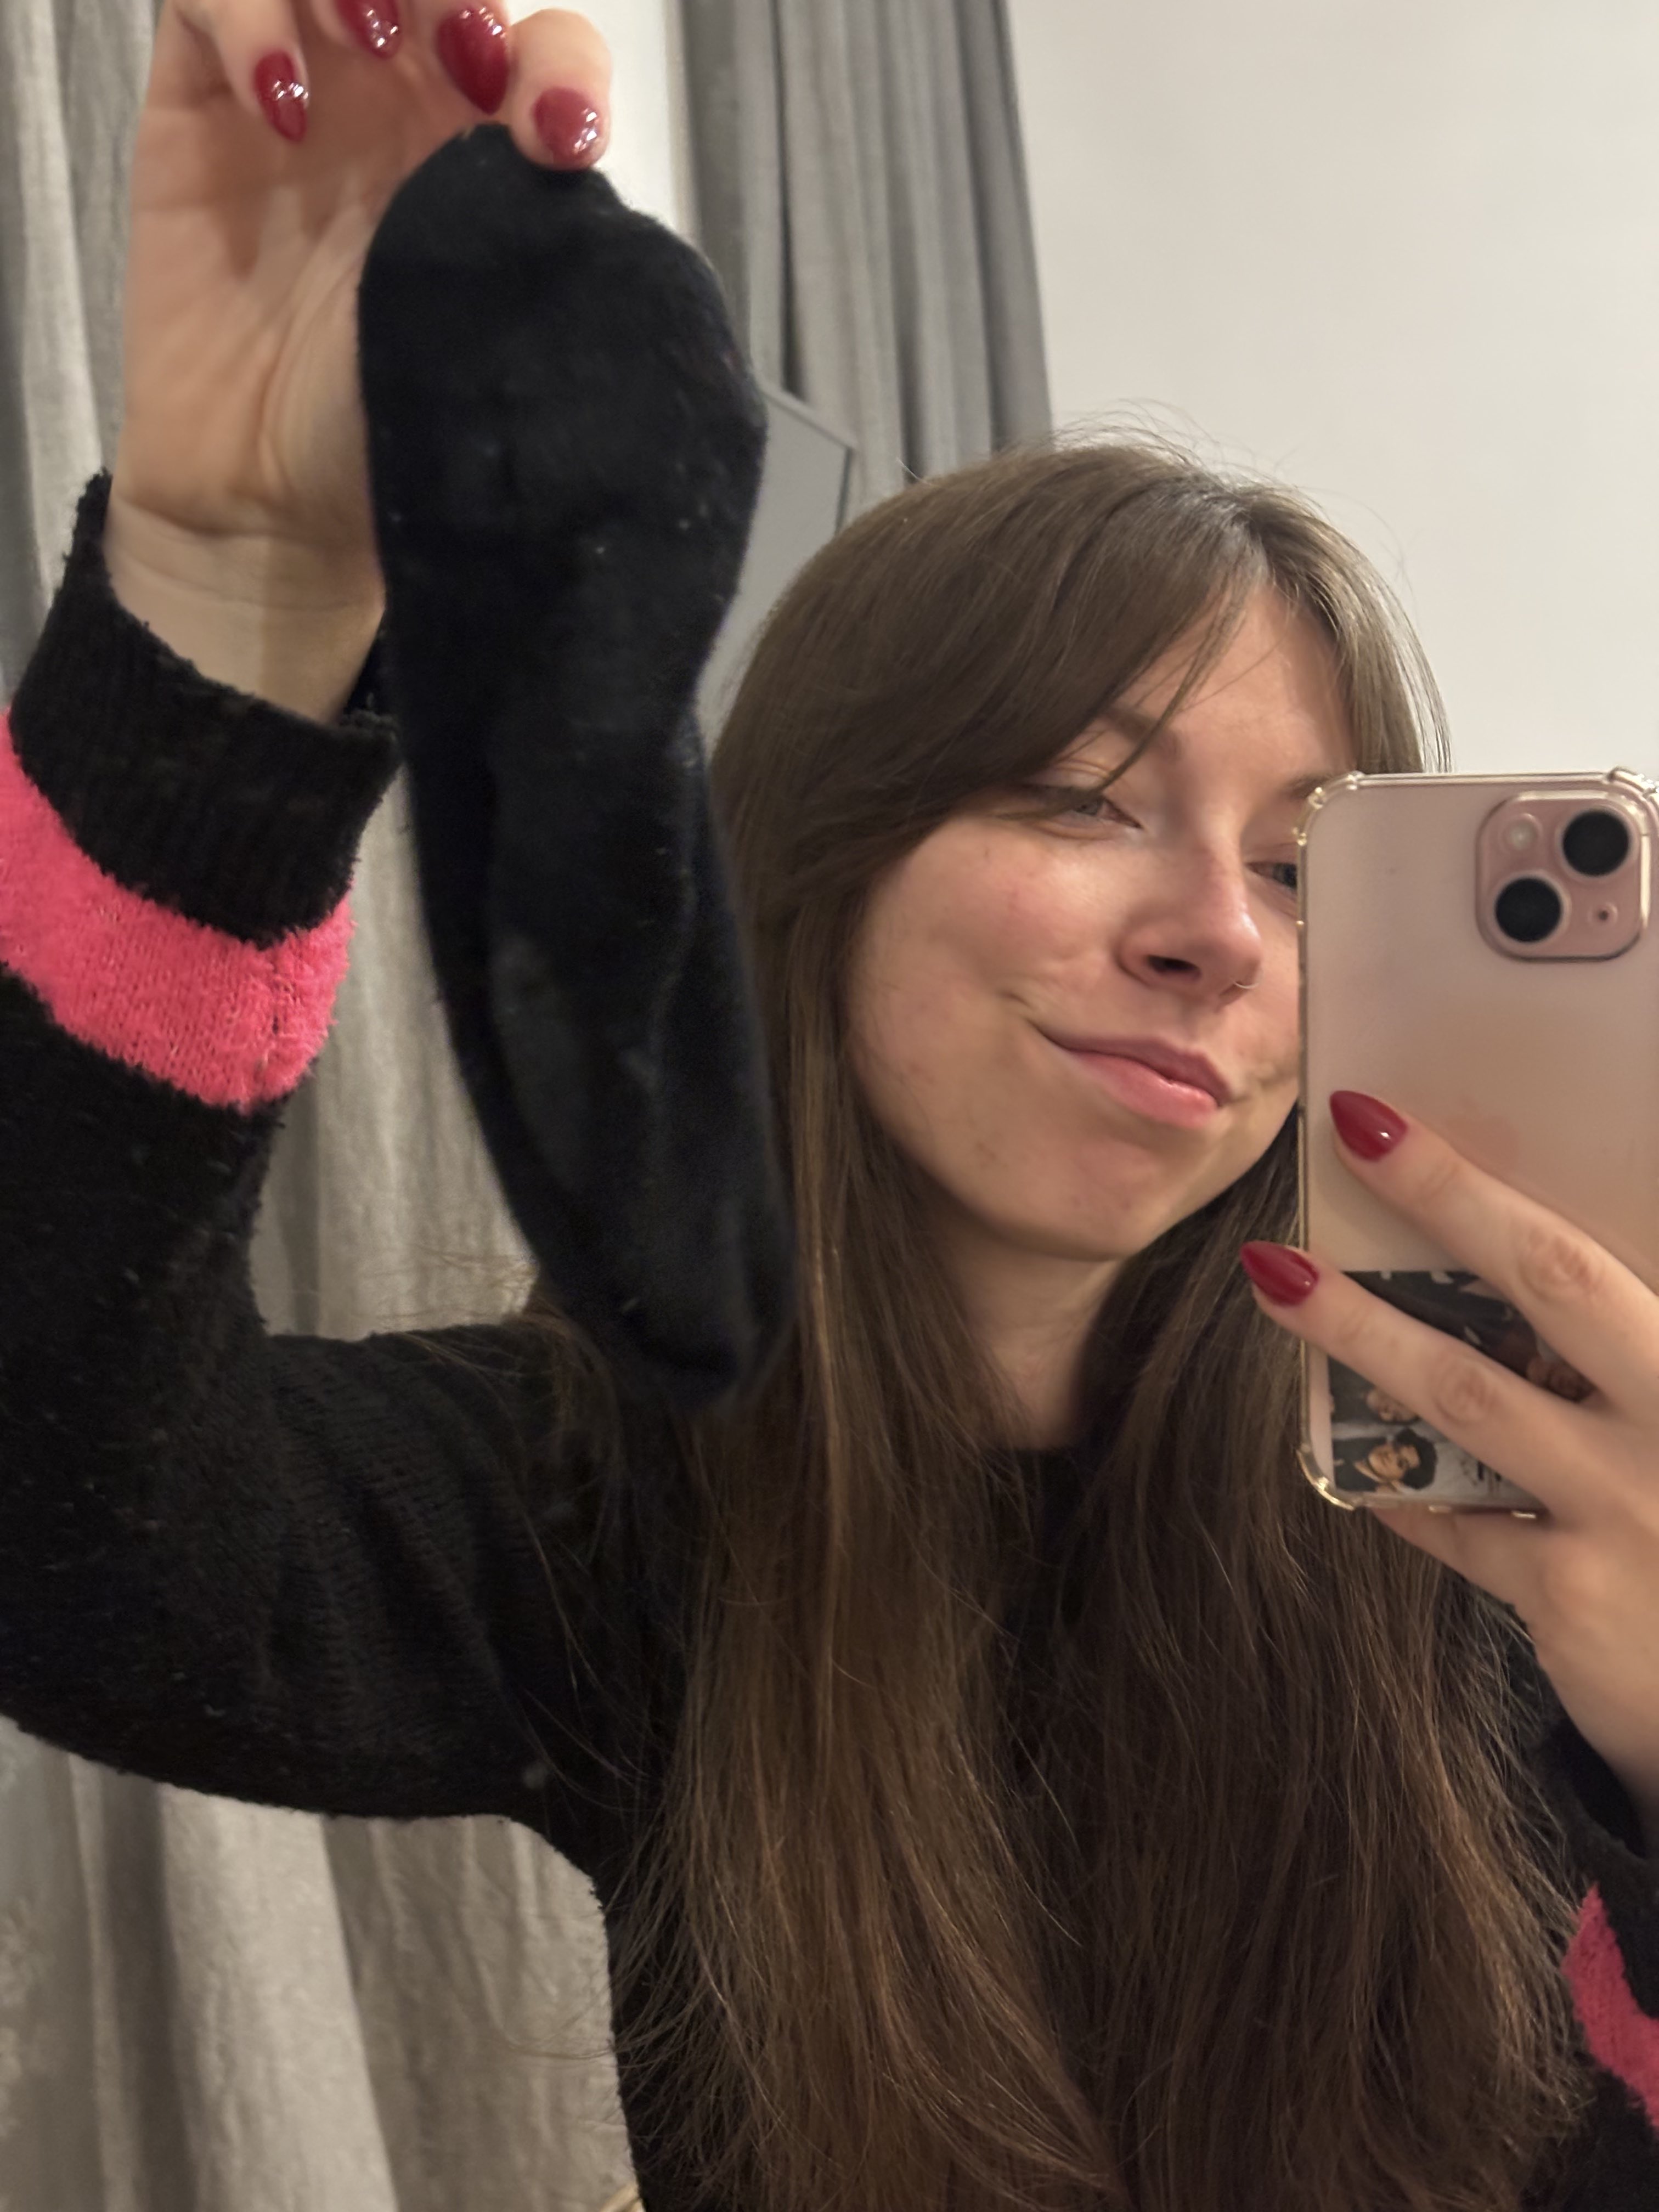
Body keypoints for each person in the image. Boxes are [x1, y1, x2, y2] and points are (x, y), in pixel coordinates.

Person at [3, 5, 1659, 2209]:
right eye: (1083, 795)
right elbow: (70, 1524)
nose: (1222, 935)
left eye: (1301, 868)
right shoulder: (611, 1504)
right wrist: (228, 606)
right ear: (818, 855)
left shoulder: (1489, 1494)